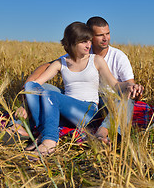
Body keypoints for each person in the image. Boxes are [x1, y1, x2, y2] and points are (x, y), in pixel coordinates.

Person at [24, 21, 142, 158]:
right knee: (31, 87)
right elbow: (35, 84)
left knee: (51, 95)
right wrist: (24, 99)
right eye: (83, 42)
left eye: (89, 41)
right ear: (72, 43)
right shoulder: (61, 62)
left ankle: (50, 140)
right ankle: (42, 130)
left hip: (88, 111)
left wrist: (129, 86)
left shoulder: (96, 60)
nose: (88, 45)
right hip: (68, 109)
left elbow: (115, 85)